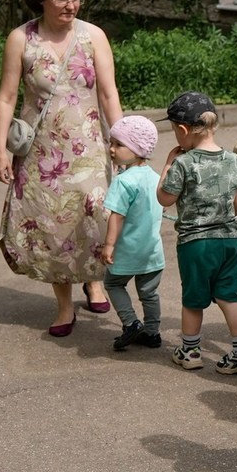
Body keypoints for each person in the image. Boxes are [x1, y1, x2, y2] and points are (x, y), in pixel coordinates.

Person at [0, 0, 122, 336]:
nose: (71, 5)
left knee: (94, 216)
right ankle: (64, 306)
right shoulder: (21, 39)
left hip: (89, 148)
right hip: (41, 153)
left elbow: (109, 94)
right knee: (51, 225)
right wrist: (0, 150)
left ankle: (94, 280)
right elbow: (6, 97)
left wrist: (125, 143)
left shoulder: (93, 35)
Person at [156, 91, 237, 375]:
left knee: (194, 299)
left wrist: (168, 164)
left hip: (195, 244)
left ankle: (190, 351)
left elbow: (165, 198)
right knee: (229, 296)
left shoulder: (184, 164)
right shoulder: (234, 161)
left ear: (184, 130)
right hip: (229, 242)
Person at [99, 115, 165, 351]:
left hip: (127, 250)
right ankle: (153, 332)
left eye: (119, 144)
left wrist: (108, 245)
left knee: (113, 283)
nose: (112, 149)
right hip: (152, 251)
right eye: (111, 143)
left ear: (138, 149)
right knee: (149, 292)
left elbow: (117, 216)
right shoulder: (156, 178)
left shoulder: (123, 181)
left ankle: (130, 323)